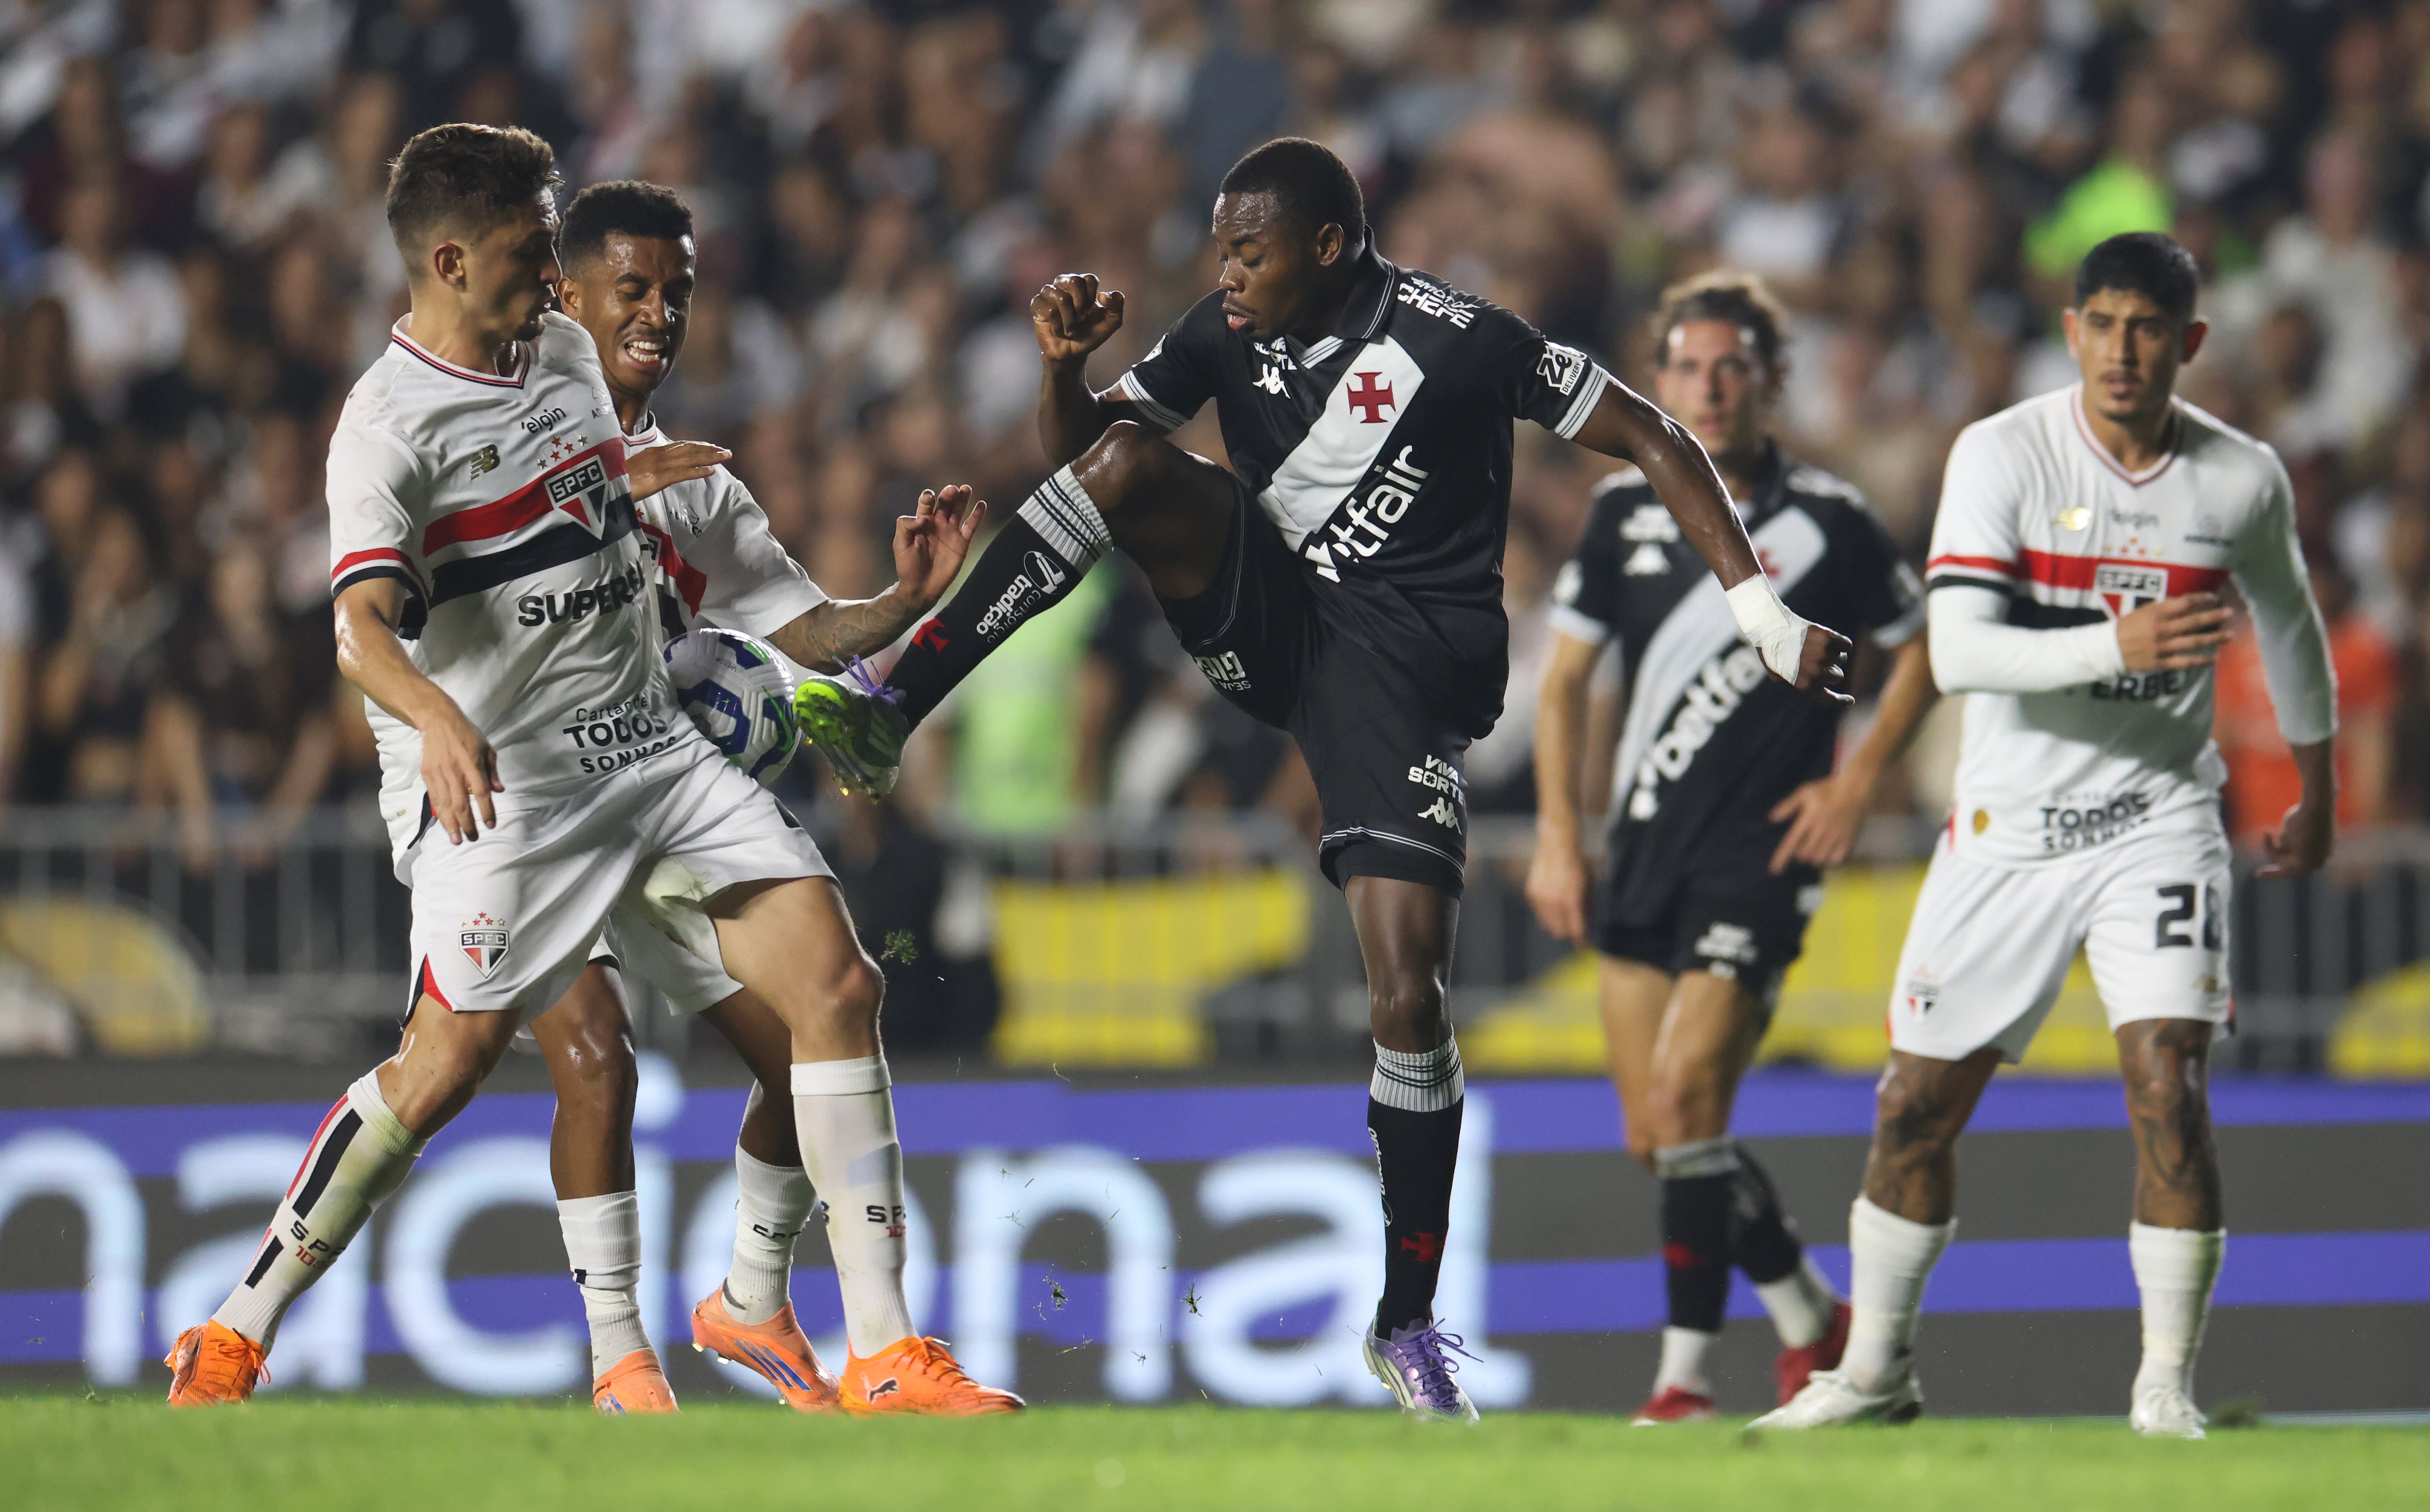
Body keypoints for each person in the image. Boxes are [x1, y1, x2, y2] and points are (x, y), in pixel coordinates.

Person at [796, 137, 1856, 1422]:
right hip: (1279, 615)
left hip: (1403, 677)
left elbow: (1653, 431)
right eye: (1220, 251)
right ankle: (891, 702)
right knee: (1128, 467)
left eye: (1248, 252)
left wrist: (1760, 615)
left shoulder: (1460, 339)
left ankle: (1406, 1321)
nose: (1225, 275)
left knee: (1409, 992)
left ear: (1329, 246)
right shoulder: (1221, 330)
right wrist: (1063, 371)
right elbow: (1084, 458)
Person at [163, 124, 1019, 1418]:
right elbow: (359, 627)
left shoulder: (560, 352)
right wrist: (434, 715)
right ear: (453, 262)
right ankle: (236, 1326)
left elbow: (622, 511)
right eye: (532, 250)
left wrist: (895, 600)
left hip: (652, 750)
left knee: (840, 986)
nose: (553, 276)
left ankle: (882, 1346)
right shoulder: (383, 428)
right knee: (446, 1067)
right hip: (511, 785)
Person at [1753, 233, 2337, 1438]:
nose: (2122, 350)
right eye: (2101, 323)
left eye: (2147, 328)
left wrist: (2317, 787)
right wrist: (2117, 644)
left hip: (2157, 819)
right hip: (2007, 826)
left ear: (2189, 342)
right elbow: (1960, 648)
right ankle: (1874, 1373)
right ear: (2071, 332)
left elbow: (2290, 627)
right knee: (1914, 1105)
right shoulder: (2001, 452)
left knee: (2168, 1082)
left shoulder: (2239, 479)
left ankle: (2163, 1388)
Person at [1526, 273, 1939, 1423]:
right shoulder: (1622, 512)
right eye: (1686, 368)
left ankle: (1682, 1381)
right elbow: (1562, 684)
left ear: (1771, 380)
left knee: (1684, 1094)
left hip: (1760, 857)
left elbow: (1923, 644)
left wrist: (1858, 777)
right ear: (1657, 380)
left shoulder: (1832, 519)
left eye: (1730, 367)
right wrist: (1559, 834)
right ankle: (1813, 1317)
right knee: (1656, 1133)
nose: (1706, 388)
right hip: (1642, 848)